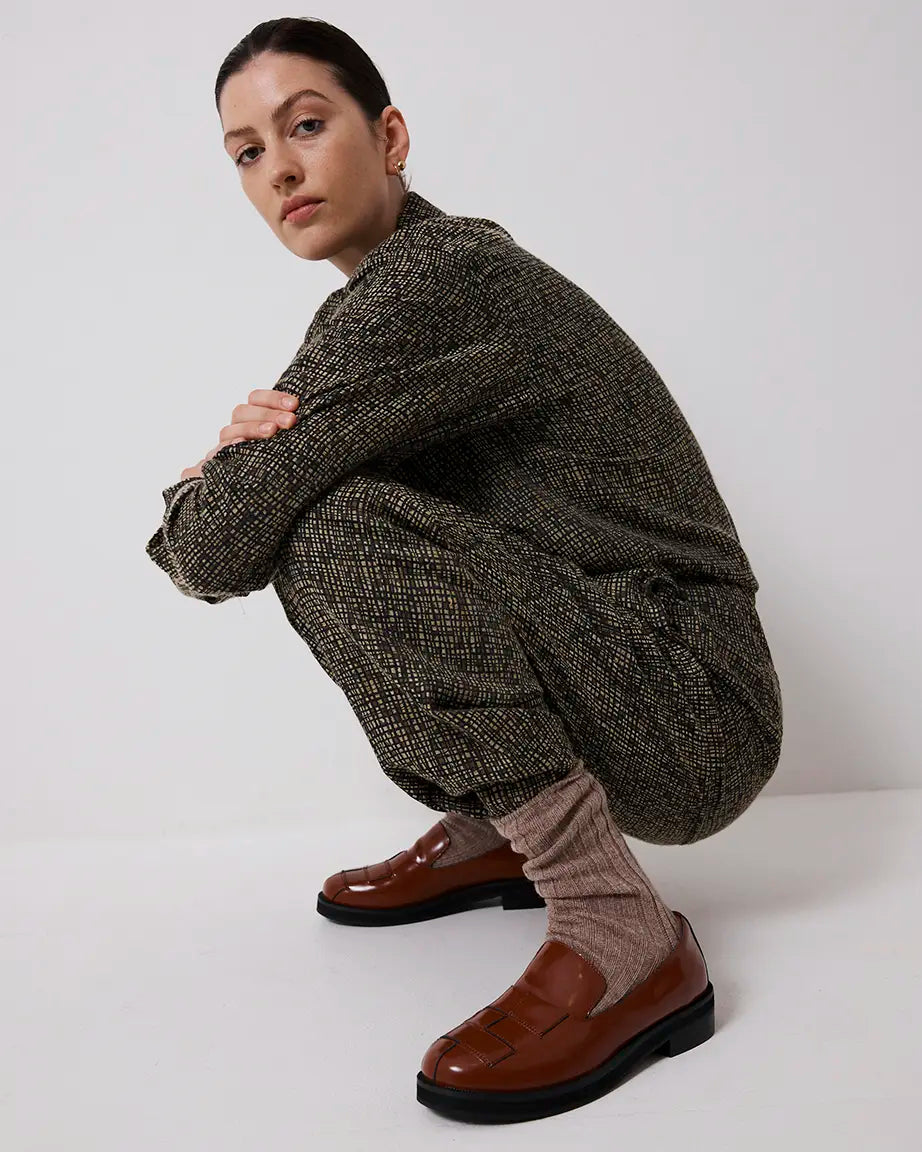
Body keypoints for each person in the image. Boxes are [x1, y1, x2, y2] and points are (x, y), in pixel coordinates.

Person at [145, 17, 783, 1123]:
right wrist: (242, 482)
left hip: (692, 713)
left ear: (388, 135)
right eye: (247, 153)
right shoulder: (386, 299)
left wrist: (212, 479)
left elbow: (210, 548)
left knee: (329, 522)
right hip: (632, 669)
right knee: (333, 498)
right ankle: (500, 836)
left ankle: (614, 921)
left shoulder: (436, 281)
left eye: (307, 125)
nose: (281, 169)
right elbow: (235, 538)